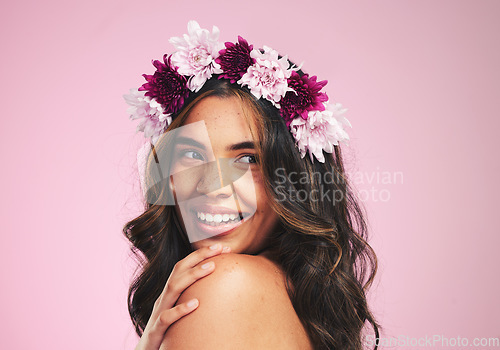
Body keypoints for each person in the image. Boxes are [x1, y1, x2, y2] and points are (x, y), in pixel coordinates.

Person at [123, 20, 379, 349]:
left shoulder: (223, 283)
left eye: (247, 159)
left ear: (295, 179)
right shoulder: (294, 298)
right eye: (191, 153)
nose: (211, 185)